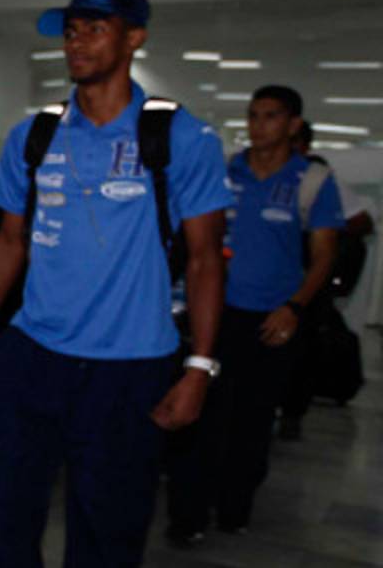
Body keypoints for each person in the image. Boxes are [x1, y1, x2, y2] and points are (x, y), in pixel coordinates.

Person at [0, 0, 231, 567]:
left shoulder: (181, 137)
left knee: (107, 533)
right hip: (31, 356)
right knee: (1, 523)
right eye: (71, 31)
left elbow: (206, 259)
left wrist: (200, 367)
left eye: (95, 29)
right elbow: (9, 240)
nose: (76, 43)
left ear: (134, 38)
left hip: (129, 369)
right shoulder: (35, 135)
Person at [166, 87, 343, 544]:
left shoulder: (312, 180)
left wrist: (294, 308)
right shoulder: (226, 172)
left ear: (293, 125)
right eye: (252, 115)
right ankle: (187, 516)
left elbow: (324, 255)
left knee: (251, 420)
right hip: (215, 314)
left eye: (270, 116)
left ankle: (234, 507)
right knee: (201, 415)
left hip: (272, 320)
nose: (258, 125)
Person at [279, 120, 375, 440]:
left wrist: (320, 225)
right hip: (267, 278)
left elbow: (361, 221)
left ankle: (292, 412)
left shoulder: (317, 180)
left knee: (301, 346)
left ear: (304, 146)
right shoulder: (252, 173)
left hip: (307, 279)